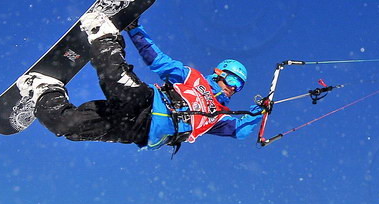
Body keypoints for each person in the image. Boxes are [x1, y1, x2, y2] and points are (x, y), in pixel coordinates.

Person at [16, 11, 262, 150]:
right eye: (233, 81)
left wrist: (259, 112)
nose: (233, 89)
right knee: (114, 81)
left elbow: (241, 131)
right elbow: (157, 60)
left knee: (69, 126)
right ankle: (102, 34)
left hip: (139, 132)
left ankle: (44, 90)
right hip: (149, 104)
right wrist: (134, 29)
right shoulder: (193, 78)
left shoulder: (219, 116)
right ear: (219, 73)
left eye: (238, 87)